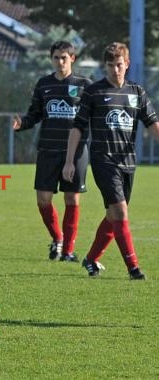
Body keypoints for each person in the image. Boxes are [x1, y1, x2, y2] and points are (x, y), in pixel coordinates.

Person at [63, 42, 159, 279]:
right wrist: (69, 161)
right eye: (110, 65)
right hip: (103, 160)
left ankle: (91, 259)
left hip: (128, 162)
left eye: (119, 65)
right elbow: (77, 129)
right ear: (104, 66)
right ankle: (133, 268)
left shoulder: (137, 92)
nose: (115, 70)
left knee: (113, 215)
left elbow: (152, 124)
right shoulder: (94, 92)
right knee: (120, 211)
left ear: (127, 64)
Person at [13, 40, 92, 262]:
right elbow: (35, 113)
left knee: (72, 199)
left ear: (72, 59)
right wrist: (22, 124)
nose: (59, 62)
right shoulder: (44, 84)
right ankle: (57, 238)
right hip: (48, 149)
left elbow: (92, 116)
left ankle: (68, 251)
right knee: (43, 200)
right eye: (56, 58)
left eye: (64, 58)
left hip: (76, 153)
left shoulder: (85, 85)